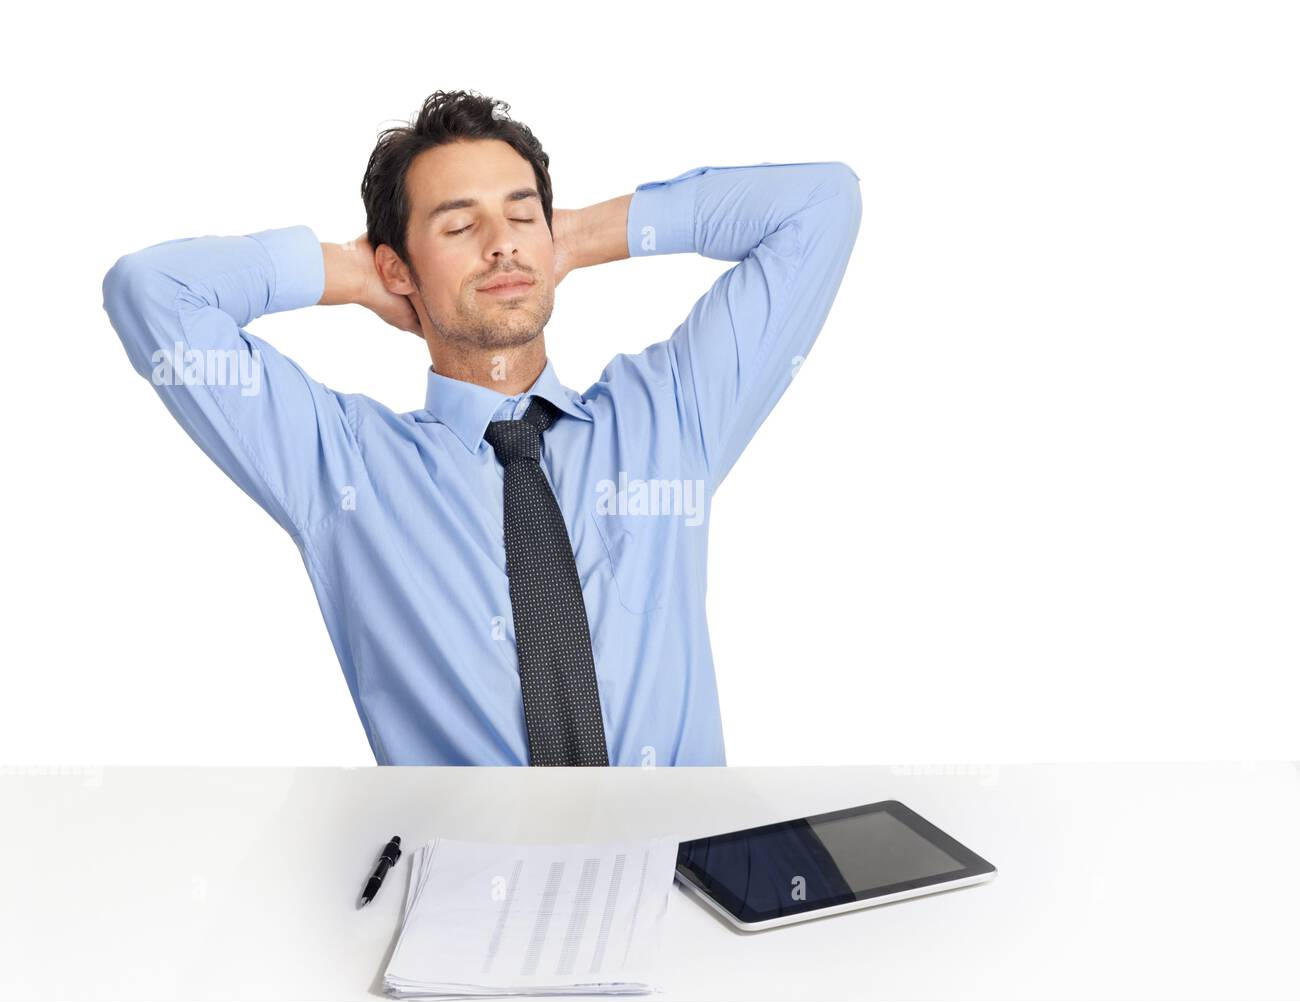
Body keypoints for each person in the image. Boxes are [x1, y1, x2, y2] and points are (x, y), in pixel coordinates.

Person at [102, 89, 863, 766]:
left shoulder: (668, 415)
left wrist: (580, 235)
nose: (502, 242)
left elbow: (823, 204)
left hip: (692, 891)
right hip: (473, 906)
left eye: (522, 214)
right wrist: (353, 271)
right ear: (400, 267)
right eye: (460, 226)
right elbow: (151, 292)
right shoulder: (342, 467)